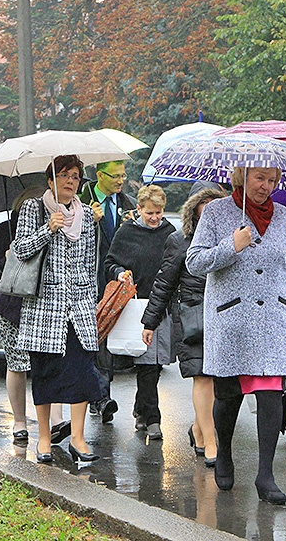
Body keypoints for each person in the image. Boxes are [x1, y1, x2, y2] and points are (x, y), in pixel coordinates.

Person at [186, 166, 286, 505]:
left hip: (274, 320)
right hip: (232, 321)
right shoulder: (215, 211)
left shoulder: (284, 217)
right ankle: (223, 451)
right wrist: (231, 245)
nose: (266, 186)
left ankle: (265, 475)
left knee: (271, 396)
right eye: (260, 178)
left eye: (273, 180)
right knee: (228, 398)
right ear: (241, 176)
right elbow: (194, 262)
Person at [14, 155, 102, 464]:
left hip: (78, 307)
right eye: (64, 175)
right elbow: (20, 250)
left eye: (76, 176)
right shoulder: (33, 209)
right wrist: (47, 229)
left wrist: (91, 302)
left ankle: (78, 437)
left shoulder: (87, 215)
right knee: (46, 373)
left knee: (82, 372)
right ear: (51, 179)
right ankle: (44, 438)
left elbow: (90, 264)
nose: (70, 181)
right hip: (44, 308)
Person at [141, 182, 228, 467]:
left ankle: (199, 428)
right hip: (193, 319)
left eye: (217, 204)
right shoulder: (180, 240)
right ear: (195, 208)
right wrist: (150, 322)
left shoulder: (232, 239)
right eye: (206, 204)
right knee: (202, 376)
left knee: (220, 382)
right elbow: (164, 283)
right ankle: (210, 438)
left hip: (226, 319)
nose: (211, 209)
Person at [0, 187, 70, 449]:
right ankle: (19, 422)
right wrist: (5, 260)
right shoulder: (5, 228)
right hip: (13, 305)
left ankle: (56, 420)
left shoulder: (60, 223)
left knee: (52, 362)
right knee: (17, 364)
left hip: (49, 304)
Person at [105, 184, 177, 441]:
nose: (155, 218)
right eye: (150, 213)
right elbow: (109, 263)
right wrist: (119, 273)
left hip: (164, 306)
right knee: (147, 364)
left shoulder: (169, 232)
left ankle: (140, 409)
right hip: (138, 306)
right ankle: (153, 418)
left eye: (158, 212)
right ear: (139, 209)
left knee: (156, 365)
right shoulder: (127, 232)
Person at [79, 160, 136, 423]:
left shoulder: (129, 203)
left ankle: (102, 396)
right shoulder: (82, 201)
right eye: (115, 176)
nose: (120, 180)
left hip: (120, 281)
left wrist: (132, 225)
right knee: (98, 337)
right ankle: (101, 399)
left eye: (123, 175)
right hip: (92, 281)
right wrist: (89, 222)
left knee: (115, 340)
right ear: (99, 175)